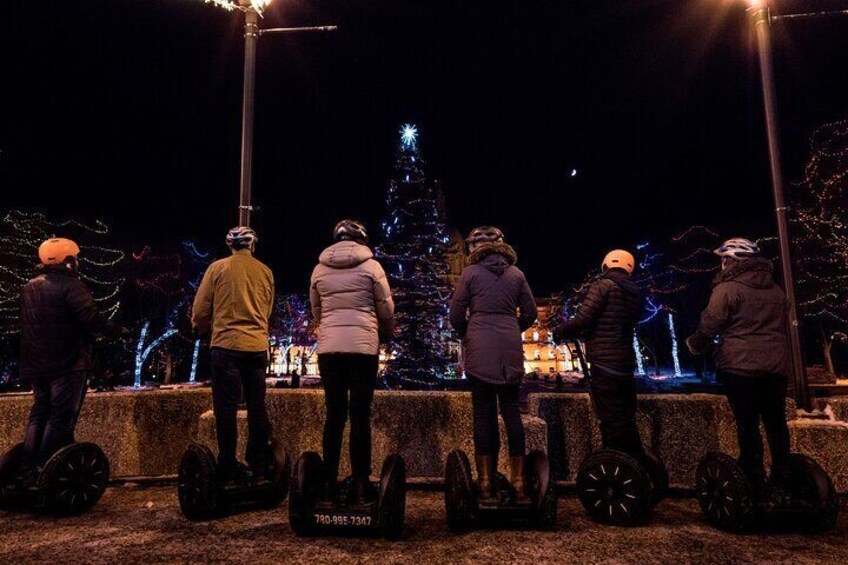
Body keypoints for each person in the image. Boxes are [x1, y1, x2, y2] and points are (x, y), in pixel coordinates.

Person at [686, 238, 792, 503]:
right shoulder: (776, 290)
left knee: (747, 424)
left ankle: (752, 476)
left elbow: (710, 324)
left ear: (730, 261)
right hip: (776, 367)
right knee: (776, 422)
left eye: (723, 260)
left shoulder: (728, 289)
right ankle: (783, 476)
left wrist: (694, 344)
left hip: (740, 367)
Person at [20, 238, 125, 482]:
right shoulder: (71, 285)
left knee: (39, 413)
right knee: (61, 416)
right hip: (68, 362)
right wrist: (115, 330)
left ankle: (28, 465)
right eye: (75, 258)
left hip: (36, 363)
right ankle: (46, 468)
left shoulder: (29, 287)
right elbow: (89, 318)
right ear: (68, 261)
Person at [449, 226, 537, 505]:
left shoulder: (470, 274)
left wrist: (469, 332)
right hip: (509, 349)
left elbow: (455, 314)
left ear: (473, 249)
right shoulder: (517, 274)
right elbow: (531, 313)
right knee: (512, 412)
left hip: (479, 349)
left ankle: (485, 482)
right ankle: (520, 482)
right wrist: (513, 326)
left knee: (483, 414)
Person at [310, 219, 394, 503]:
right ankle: (360, 481)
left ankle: (329, 480)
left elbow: (317, 311)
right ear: (362, 239)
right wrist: (386, 330)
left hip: (330, 350)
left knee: (334, 415)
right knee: (360, 414)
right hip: (362, 348)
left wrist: (332, 329)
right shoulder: (372, 267)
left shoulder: (319, 269)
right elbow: (385, 308)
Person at [192, 227, 274, 481]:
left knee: (225, 408)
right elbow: (267, 308)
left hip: (226, 345)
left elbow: (202, 308)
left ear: (230, 246)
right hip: (256, 347)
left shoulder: (217, 269)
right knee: (256, 406)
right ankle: (258, 461)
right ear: (252, 246)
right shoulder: (265, 271)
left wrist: (199, 328)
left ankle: (228, 462)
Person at [553, 249, 645, 459]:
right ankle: (635, 458)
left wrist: (561, 330)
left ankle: (615, 460)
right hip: (625, 360)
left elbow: (584, 319)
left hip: (604, 360)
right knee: (627, 416)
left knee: (609, 416)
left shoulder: (602, 286)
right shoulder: (635, 293)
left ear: (606, 265)